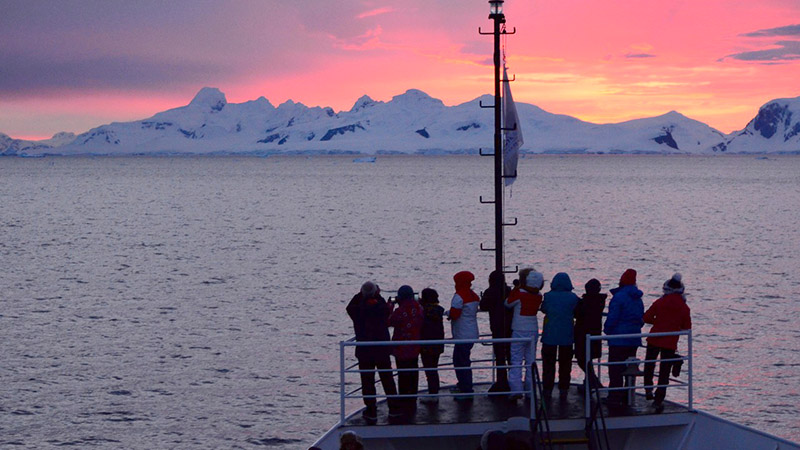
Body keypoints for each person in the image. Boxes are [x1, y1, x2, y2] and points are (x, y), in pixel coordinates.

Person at [346, 281, 400, 423]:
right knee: (387, 380)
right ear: (377, 293)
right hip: (381, 349)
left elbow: (349, 306)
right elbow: (385, 306)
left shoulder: (357, 310)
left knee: (367, 382)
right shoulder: (382, 308)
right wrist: (376, 294)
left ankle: (371, 411)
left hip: (365, 351)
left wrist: (362, 294)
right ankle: (394, 409)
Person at [643, 273, 691, 412]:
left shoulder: (660, 302)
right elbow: (687, 327)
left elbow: (646, 317)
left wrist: (657, 322)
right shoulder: (684, 307)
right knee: (664, 372)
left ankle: (648, 389)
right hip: (670, 342)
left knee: (649, 364)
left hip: (654, 338)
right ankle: (658, 400)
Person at [603, 268, 644, 406]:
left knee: (615, 369)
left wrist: (607, 330)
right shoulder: (638, 299)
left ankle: (614, 396)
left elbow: (613, 317)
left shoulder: (618, 297)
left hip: (618, 339)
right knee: (629, 369)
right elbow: (641, 318)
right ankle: (627, 396)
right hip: (633, 339)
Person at [505, 268, 544, 401]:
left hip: (519, 329)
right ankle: (530, 389)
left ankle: (516, 389)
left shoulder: (519, 294)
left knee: (516, 360)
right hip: (533, 329)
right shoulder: (539, 296)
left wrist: (515, 289)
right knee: (530, 361)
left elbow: (508, 303)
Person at [540, 272, 581, 398]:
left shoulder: (548, 296)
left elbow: (543, 309)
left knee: (548, 363)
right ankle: (564, 388)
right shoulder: (573, 298)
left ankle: (547, 388)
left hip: (549, 335)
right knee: (565, 364)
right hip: (567, 335)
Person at [388, 285, 423, 414]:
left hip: (401, 348)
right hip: (414, 346)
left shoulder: (400, 311)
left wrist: (390, 306)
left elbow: (389, 321)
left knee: (403, 374)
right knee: (413, 372)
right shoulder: (419, 308)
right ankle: (412, 397)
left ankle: (404, 399)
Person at [480, 270, 512, 392]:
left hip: (497, 326)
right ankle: (512, 381)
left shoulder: (490, 291)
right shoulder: (509, 290)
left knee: (499, 355)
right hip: (510, 326)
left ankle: (502, 381)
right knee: (511, 355)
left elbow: (483, 306)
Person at [449, 270, 480, 397]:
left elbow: (455, 315)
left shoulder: (459, 296)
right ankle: (465, 385)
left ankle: (465, 388)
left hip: (462, 334)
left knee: (460, 361)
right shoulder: (474, 296)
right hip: (472, 332)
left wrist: (449, 314)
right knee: (464, 360)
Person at [574, 278, 607, 388]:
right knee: (588, 359)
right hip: (595, 333)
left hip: (582, 334)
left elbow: (577, 313)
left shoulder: (585, 302)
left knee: (582, 359)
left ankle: (593, 380)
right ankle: (590, 382)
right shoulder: (600, 301)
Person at [419, 287, 445, 403]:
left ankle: (433, 394)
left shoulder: (423, 312)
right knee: (433, 369)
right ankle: (434, 393)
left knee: (430, 370)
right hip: (437, 344)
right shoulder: (438, 311)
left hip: (426, 345)